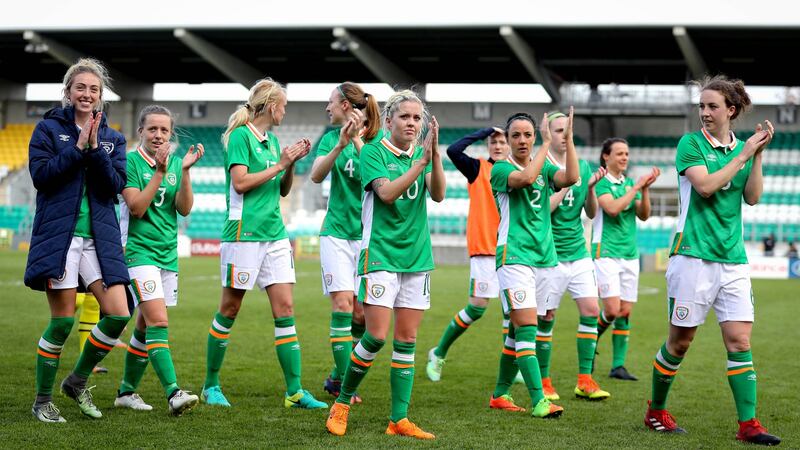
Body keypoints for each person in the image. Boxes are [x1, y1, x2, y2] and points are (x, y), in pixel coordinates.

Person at [645, 75, 780, 446]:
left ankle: (748, 424)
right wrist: (744, 154)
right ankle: (655, 409)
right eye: (701, 106)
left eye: (712, 106)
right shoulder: (690, 145)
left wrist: (757, 156)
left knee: (739, 341)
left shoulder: (741, 150)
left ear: (730, 111)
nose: (704, 113)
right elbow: (705, 187)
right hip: (692, 257)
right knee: (680, 343)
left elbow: (751, 198)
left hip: (732, 259)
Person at [326, 90, 445, 439]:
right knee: (376, 336)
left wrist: (434, 157)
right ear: (389, 121)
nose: (411, 123)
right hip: (380, 254)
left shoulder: (422, 156)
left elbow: (438, 194)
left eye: (416, 118)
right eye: (404, 117)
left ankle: (399, 419)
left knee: (406, 339)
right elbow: (387, 193)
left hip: (417, 257)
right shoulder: (374, 152)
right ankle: (342, 402)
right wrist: (421, 164)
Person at [200, 78, 326, 410]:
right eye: (283, 105)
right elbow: (240, 183)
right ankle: (211, 385)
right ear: (271, 106)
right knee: (230, 309)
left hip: (275, 235)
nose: (285, 111)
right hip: (244, 235)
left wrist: (290, 164)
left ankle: (295, 391)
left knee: (285, 310)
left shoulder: (271, 142)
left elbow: (282, 190)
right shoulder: (241, 136)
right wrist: (281, 164)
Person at [25, 58, 130, 422]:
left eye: (94, 89)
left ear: (101, 97)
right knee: (63, 322)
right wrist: (77, 148)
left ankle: (77, 379)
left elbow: (116, 186)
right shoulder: (48, 130)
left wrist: (96, 148)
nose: (87, 94)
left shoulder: (114, 139)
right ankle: (42, 401)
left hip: (99, 240)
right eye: (81, 88)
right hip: (60, 237)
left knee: (118, 312)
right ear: (68, 92)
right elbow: (42, 176)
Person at [425, 123, 529, 411]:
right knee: (477, 308)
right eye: (493, 141)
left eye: (501, 141)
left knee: (514, 314)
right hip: (484, 249)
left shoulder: (516, 174)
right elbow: (453, 150)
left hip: (512, 251)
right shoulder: (477, 169)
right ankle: (438, 352)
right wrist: (483, 130)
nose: (497, 145)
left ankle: (514, 367)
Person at [113, 105, 203, 415]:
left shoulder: (176, 163)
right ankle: (173, 392)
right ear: (141, 131)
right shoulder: (129, 162)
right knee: (159, 321)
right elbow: (137, 207)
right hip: (138, 251)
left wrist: (186, 172)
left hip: (167, 253)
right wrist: (161, 173)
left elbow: (185, 208)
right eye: (152, 129)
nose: (158, 135)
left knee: (143, 324)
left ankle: (125, 391)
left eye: (164, 130)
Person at [490, 110, 578, 418]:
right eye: (516, 135)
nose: (523, 140)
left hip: (544, 258)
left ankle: (500, 394)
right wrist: (546, 142)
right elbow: (526, 178)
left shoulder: (546, 165)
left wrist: (568, 141)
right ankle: (540, 400)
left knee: (518, 331)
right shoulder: (500, 169)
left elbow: (571, 178)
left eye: (528, 134)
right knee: (527, 327)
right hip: (513, 256)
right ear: (508, 140)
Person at [309, 82, 381, 404]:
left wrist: (355, 140)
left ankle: (337, 376)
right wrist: (339, 145)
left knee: (363, 317)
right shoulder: (329, 138)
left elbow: (375, 174)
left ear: (347, 106)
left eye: (331, 103)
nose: (327, 109)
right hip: (336, 233)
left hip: (367, 236)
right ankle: (343, 389)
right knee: (342, 305)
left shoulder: (378, 140)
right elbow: (315, 175)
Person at [535, 110, 610, 401]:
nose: (564, 136)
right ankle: (544, 381)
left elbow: (590, 212)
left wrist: (589, 188)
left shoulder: (584, 166)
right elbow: (543, 210)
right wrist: (566, 182)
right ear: (547, 134)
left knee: (591, 311)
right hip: (549, 254)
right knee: (546, 318)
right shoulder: (540, 167)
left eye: (567, 130)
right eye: (557, 131)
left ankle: (585, 380)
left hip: (579, 252)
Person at [592, 138, 660, 381]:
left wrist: (644, 189)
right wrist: (635, 188)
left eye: (627, 154)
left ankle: (617, 366)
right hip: (606, 252)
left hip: (630, 254)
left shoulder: (630, 183)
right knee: (611, 309)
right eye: (619, 153)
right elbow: (611, 209)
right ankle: (591, 341)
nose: (624, 158)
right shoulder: (600, 182)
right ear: (606, 157)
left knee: (625, 312)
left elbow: (643, 215)